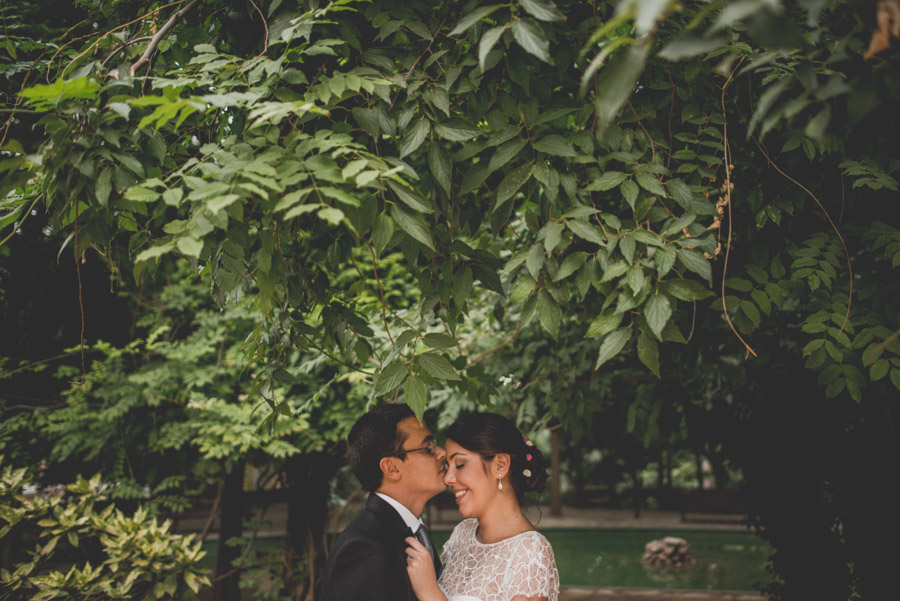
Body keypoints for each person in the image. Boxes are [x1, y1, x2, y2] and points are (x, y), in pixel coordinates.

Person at [405, 412, 560, 601]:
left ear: (500, 465)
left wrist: (429, 593)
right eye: (448, 466)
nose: (448, 478)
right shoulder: (462, 533)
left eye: (460, 464)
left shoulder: (530, 551)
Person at [320, 403, 448, 601]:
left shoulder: (411, 532)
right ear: (392, 468)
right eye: (428, 448)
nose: (441, 453)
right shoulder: (364, 548)